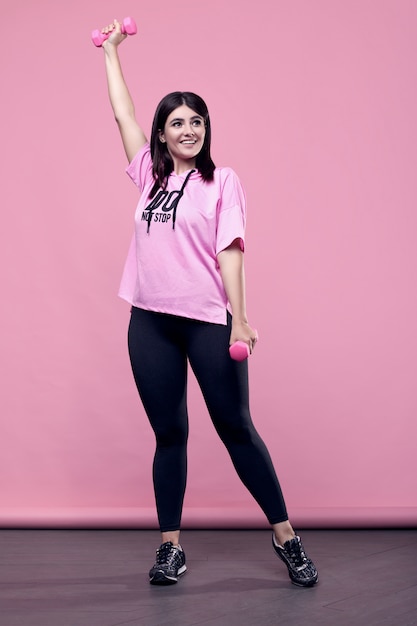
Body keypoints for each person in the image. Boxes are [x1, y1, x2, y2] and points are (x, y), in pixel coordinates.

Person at [98, 19, 318, 588]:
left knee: (236, 428)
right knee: (169, 433)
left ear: (205, 130)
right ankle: (171, 547)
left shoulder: (223, 183)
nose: (189, 129)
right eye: (178, 123)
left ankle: (286, 537)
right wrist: (111, 53)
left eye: (197, 121)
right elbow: (123, 113)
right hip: (149, 322)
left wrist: (239, 317)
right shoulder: (148, 176)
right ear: (163, 135)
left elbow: (231, 251)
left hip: (206, 323)